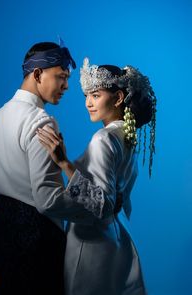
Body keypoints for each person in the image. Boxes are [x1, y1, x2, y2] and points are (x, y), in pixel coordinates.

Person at [0, 42, 117, 295]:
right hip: (35, 239)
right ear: (37, 74)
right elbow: (48, 201)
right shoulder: (40, 120)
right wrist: (96, 210)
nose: (66, 86)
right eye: (61, 77)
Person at [37, 57, 157, 295]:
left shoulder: (104, 139)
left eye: (96, 95)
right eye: (86, 96)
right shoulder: (127, 136)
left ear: (119, 98)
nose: (88, 103)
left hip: (92, 242)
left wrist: (64, 163)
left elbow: (104, 204)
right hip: (117, 237)